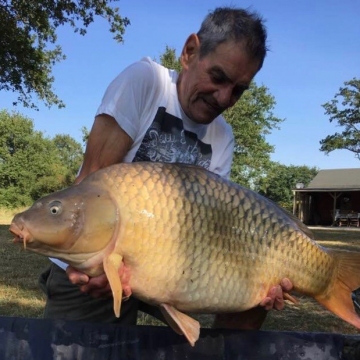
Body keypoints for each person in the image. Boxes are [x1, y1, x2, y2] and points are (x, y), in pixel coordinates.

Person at [39, 6, 293, 331]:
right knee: (73, 347)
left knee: (254, 296)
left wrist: (259, 280)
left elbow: (214, 225)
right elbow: (91, 179)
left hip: (169, 264)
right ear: (189, 52)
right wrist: (93, 266)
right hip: (101, 253)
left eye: (238, 90)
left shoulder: (222, 136)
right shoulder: (145, 82)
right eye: (218, 78)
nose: (224, 97)